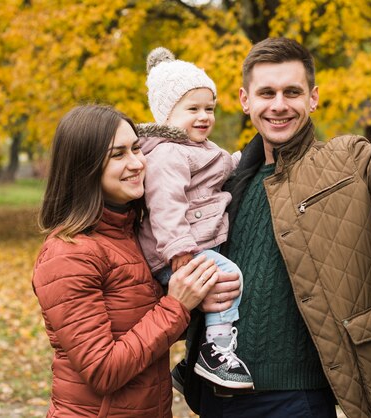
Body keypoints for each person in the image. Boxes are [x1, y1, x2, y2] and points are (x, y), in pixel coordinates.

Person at [176, 37, 371, 418]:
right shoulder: (224, 181)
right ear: (245, 100)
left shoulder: (348, 160)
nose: (279, 105)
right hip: (216, 397)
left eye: (292, 92)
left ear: (313, 98)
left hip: (298, 400)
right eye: (266, 92)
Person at [31, 104, 237, 417]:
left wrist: (196, 303)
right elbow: (103, 370)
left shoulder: (134, 235)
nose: (138, 163)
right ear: (83, 166)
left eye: (137, 148)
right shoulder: (68, 254)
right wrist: (177, 305)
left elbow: (142, 326)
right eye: (118, 154)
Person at [137, 47, 253, 389]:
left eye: (209, 108)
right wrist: (180, 253)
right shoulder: (167, 154)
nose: (204, 116)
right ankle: (215, 356)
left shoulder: (198, 148)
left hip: (192, 246)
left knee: (217, 288)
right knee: (228, 275)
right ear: (167, 114)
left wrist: (242, 159)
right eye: (193, 109)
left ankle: (191, 367)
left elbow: (219, 170)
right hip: (177, 251)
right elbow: (166, 205)